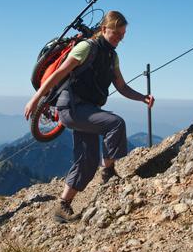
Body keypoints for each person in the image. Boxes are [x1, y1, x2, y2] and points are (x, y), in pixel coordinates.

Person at [24, 11, 155, 223]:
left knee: (87, 160)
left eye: (122, 35)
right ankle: (109, 172)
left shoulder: (112, 56)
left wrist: (142, 97)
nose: (119, 39)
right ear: (104, 29)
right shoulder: (87, 47)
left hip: (87, 110)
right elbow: (60, 73)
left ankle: (62, 205)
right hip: (71, 108)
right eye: (116, 34)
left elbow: (121, 86)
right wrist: (36, 99)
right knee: (115, 123)